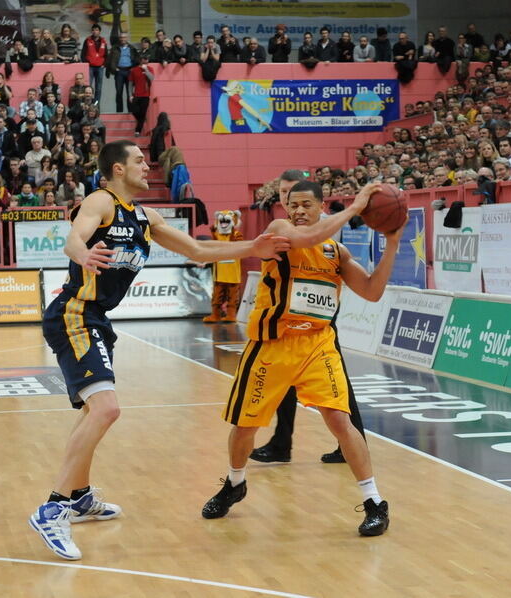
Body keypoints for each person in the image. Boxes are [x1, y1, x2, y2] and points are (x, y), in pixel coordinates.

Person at [29, 139, 290, 561]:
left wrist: (253, 249)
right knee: (107, 409)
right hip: (74, 312)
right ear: (116, 169)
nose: (147, 165)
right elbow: (72, 239)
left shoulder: (145, 217)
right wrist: (83, 253)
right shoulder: (101, 200)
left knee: (91, 412)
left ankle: (78, 495)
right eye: (138, 160)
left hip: (97, 318)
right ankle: (53, 507)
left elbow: (199, 250)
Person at [201, 179, 399, 538]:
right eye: (293, 205)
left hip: (317, 344)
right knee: (246, 426)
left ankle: (374, 502)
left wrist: (393, 242)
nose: (298, 211)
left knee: (340, 420)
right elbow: (304, 238)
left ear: (322, 206)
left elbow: (372, 291)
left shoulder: (336, 252)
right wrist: (355, 208)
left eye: (307, 205)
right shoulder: (280, 231)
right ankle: (235, 482)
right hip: (272, 345)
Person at [250, 169, 369, 465]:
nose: (294, 205)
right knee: (286, 386)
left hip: (318, 317)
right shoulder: (284, 225)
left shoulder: (324, 228)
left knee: (337, 386)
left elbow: (313, 241)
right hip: (291, 319)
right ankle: (282, 442)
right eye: (286, 196)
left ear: (319, 203)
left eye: (300, 198)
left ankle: (352, 442)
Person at [83, 24, 108, 103]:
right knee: (88, 88)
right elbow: (83, 54)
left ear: (99, 32)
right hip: (90, 67)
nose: (95, 31)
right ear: (91, 31)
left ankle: (96, 106)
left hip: (100, 67)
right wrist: (86, 64)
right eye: (93, 30)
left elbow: (106, 54)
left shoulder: (103, 41)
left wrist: (104, 64)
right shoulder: (87, 40)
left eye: (96, 30)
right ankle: (88, 105)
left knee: (98, 88)